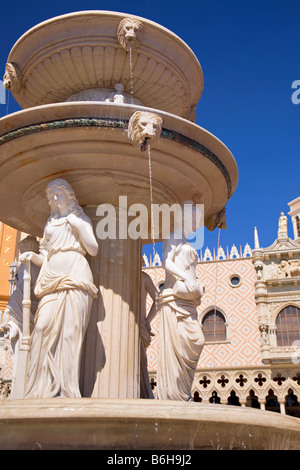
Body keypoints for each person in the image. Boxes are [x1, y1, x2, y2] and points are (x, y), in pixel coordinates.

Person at [20, 179, 98, 399]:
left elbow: (93, 249)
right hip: (51, 277)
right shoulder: (50, 223)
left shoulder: (79, 219)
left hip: (76, 275)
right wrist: (33, 256)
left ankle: (66, 389)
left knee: (70, 333)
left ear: (69, 195)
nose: (55, 200)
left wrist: (78, 225)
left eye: (58, 195)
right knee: (42, 326)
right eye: (51, 197)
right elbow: (45, 253)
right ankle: (39, 389)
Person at [157, 202, 205, 401]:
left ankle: (183, 391)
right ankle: (173, 393)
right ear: (184, 218)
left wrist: (198, 283)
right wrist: (184, 278)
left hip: (188, 298)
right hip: (175, 298)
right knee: (181, 344)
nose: (196, 224)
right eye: (194, 219)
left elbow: (190, 270)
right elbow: (166, 262)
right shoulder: (174, 236)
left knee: (197, 341)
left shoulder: (187, 242)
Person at [140, 269, 159, 398]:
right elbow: (158, 299)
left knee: (139, 363)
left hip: (138, 327)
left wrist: (147, 321)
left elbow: (158, 299)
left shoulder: (143, 277)